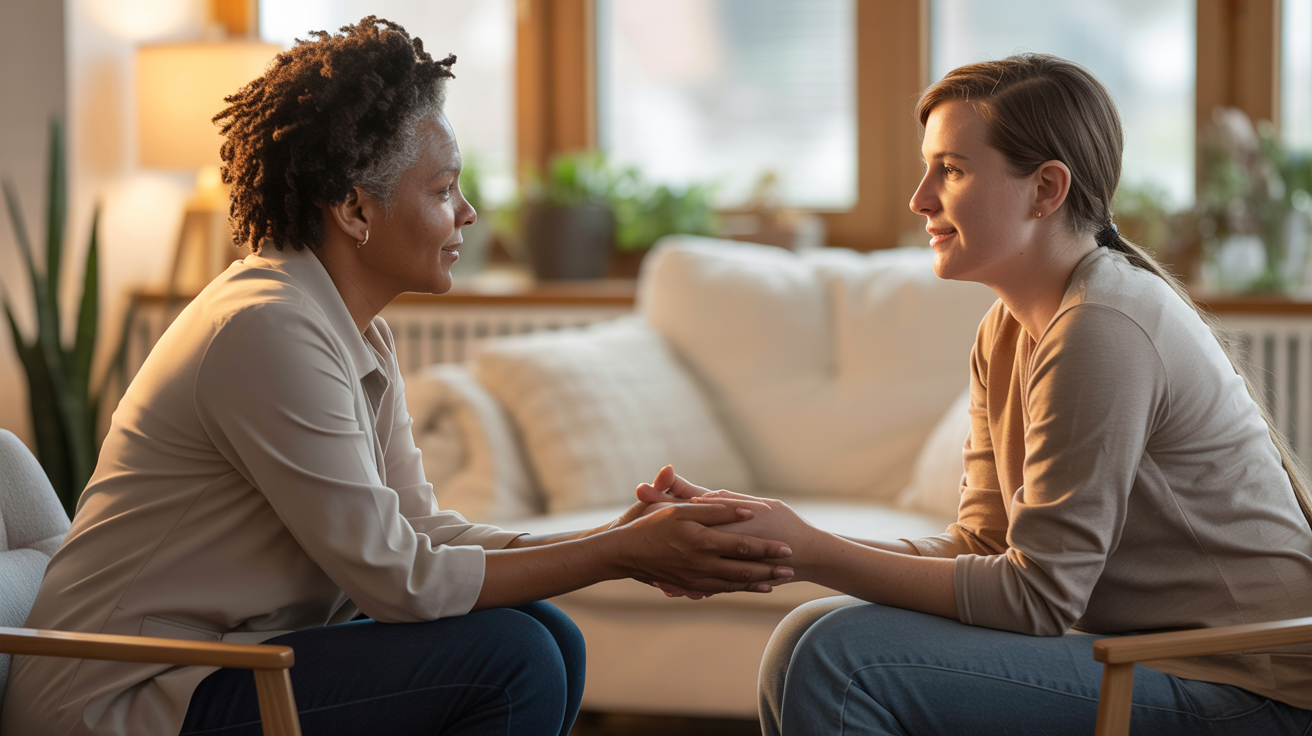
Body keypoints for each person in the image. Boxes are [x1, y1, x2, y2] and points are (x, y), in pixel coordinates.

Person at [0, 18, 793, 736]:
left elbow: (422, 532)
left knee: (548, 632)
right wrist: (620, 557)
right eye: (445, 190)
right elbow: (400, 582)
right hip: (122, 700)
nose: (470, 213)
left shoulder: (349, 331)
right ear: (354, 209)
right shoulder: (265, 328)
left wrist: (614, 537)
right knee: (512, 656)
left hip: (229, 664)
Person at [648, 53, 1312, 735]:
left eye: (953, 170)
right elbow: (981, 545)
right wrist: (778, 541)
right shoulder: (1008, 329)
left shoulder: (1102, 326)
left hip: (1245, 687)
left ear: (1046, 189)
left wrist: (812, 549)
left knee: (838, 658)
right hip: (1150, 659)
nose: (920, 198)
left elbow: (1038, 598)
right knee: (809, 636)